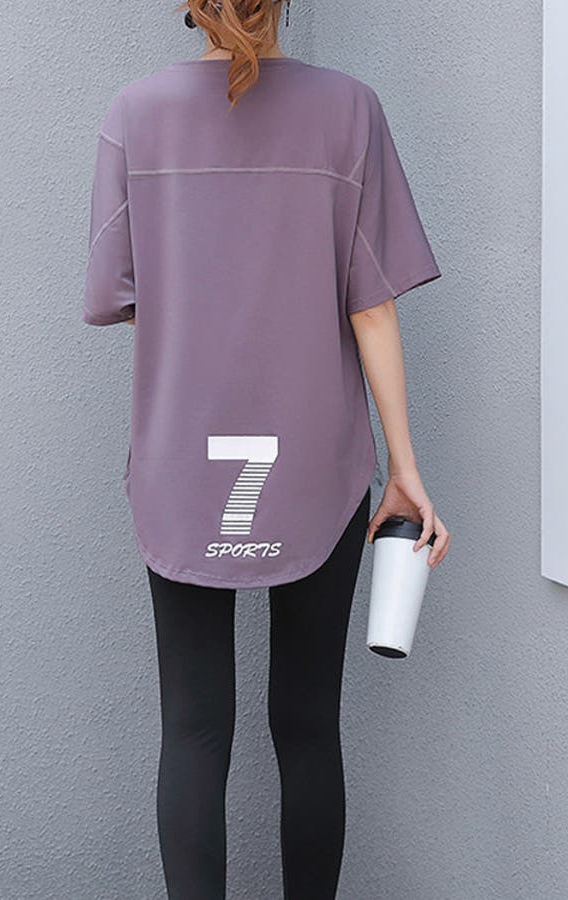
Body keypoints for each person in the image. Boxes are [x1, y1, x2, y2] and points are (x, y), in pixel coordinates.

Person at [82, 1, 451, 896]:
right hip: (317, 462)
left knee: (192, 729)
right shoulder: (349, 109)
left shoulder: (134, 114)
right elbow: (372, 307)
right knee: (309, 726)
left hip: (181, 461)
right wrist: (405, 469)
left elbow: (119, 296)